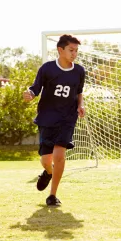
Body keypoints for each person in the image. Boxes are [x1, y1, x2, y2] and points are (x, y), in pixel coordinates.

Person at [23, 35, 86, 206]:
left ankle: (52, 195)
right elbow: (35, 88)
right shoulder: (47, 69)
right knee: (46, 160)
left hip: (67, 118)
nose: (74, 54)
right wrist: (30, 93)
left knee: (59, 156)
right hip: (47, 118)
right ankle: (48, 172)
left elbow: (79, 92)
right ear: (60, 50)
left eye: (76, 51)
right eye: (71, 50)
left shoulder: (79, 71)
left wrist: (81, 105)